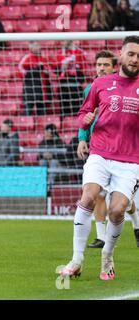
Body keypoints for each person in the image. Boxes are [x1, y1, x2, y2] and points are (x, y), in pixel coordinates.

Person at [58, 36, 139, 281]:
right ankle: (76, 259)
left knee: (116, 211)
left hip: (131, 159)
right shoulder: (102, 83)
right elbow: (84, 111)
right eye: (131, 54)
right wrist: (84, 121)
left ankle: (107, 254)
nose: (135, 59)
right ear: (121, 55)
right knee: (89, 195)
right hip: (101, 153)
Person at [76, 50, 139, 249]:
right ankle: (101, 236)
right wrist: (82, 138)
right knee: (96, 194)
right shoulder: (92, 87)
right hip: (99, 148)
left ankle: (136, 224)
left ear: (114, 66)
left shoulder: (127, 87)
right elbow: (85, 113)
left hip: (124, 151)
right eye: (98, 65)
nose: (101, 68)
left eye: (105, 65)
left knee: (120, 203)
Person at [18, 41, 52, 116]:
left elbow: (49, 71)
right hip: (30, 90)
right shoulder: (27, 58)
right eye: (36, 46)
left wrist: (45, 71)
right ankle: (26, 125)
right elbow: (21, 72)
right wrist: (36, 69)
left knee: (41, 113)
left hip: (42, 91)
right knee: (28, 111)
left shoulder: (43, 58)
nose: (38, 47)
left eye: (39, 45)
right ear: (31, 47)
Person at [56, 40, 86, 116]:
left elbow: (84, 69)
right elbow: (55, 68)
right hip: (63, 85)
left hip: (75, 85)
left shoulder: (79, 52)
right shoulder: (60, 53)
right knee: (64, 110)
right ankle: (64, 125)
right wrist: (62, 67)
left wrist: (76, 66)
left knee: (77, 110)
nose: (64, 43)